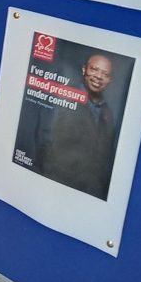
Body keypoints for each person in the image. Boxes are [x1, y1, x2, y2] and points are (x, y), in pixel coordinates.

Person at [39, 54, 118, 200]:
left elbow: (105, 157)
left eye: (105, 74)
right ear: (84, 70)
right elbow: (44, 140)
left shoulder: (108, 113)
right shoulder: (63, 97)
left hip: (90, 193)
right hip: (57, 187)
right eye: (94, 69)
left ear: (109, 81)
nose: (99, 76)